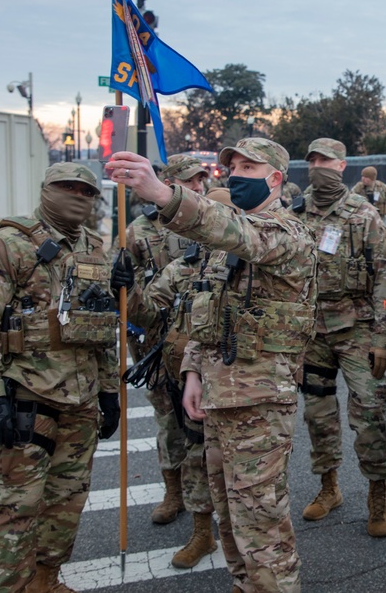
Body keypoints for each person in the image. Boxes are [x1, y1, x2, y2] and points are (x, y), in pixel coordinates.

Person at [108, 138, 317, 593]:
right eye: (233, 166)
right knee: (228, 515)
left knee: (260, 521)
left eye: (249, 166)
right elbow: (208, 316)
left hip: (260, 400)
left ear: (276, 179)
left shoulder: (286, 233)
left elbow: (233, 231)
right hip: (220, 394)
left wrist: (164, 195)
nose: (237, 174)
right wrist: (192, 374)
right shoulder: (228, 248)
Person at [0, 162, 126, 593]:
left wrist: (109, 391)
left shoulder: (93, 248)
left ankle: (46, 580)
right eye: (66, 187)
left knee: (66, 502)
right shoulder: (5, 245)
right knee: (18, 507)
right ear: (45, 189)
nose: (76, 196)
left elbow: (101, 328)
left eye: (85, 190)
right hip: (26, 397)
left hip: (81, 399)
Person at [125, 187, 237, 570]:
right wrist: (127, 291)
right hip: (188, 380)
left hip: (237, 383)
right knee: (194, 456)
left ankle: (246, 536)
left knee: (240, 462)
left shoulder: (250, 263)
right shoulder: (185, 265)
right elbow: (150, 313)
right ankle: (203, 534)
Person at [293, 138, 386, 537]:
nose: (317, 166)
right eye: (313, 160)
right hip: (312, 331)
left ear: (342, 166)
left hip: (356, 328)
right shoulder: (296, 211)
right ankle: (329, 487)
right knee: (318, 414)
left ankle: (378, 496)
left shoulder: (363, 214)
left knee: (370, 413)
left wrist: (383, 338)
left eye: (326, 160)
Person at [124, 153, 210, 526]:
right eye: (190, 180)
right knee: (168, 421)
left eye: (201, 180)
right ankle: (173, 491)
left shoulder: (207, 220)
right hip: (157, 338)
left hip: (200, 337)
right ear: (169, 181)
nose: (198, 187)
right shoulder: (139, 231)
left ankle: (205, 497)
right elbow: (129, 292)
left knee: (202, 422)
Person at [352, 165, 386, 234]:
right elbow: (349, 200)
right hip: (361, 223)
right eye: (362, 176)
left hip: (378, 223)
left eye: (366, 177)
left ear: (372, 178)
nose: (362, 179)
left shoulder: (383, 189)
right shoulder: (358, 188)